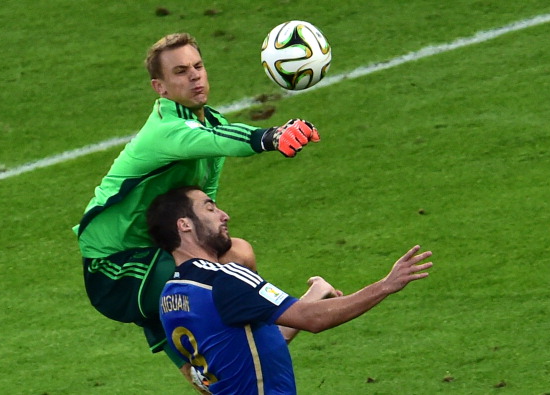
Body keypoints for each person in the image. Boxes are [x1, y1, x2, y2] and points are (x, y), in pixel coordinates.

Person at [72, 32, 321, 382]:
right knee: (227, 270)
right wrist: (272, 137)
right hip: (116, 264)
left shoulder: (209, 123)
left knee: (208, 375)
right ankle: (304, 312)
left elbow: (204, 194)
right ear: (160, 87)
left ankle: (296, 313)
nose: (194, 76)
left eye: (198, 66)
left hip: (161, 249)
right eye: (180, 71)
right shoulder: (165, 131)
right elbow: (218, 140)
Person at [148, 186, 434, 394]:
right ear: (184, 225)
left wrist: (314, 295)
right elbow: (313, 320)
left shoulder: (170, 297)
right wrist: (386, 285)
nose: (224, 215)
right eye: (210, 208)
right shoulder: (225, 278)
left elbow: (256, 348)